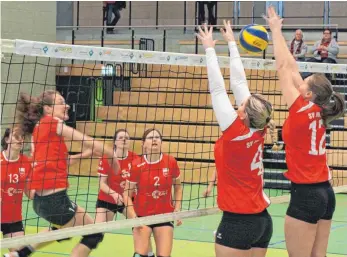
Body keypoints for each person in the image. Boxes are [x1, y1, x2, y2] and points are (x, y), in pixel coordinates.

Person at [264, 6, 345, 257]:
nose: (301, 80)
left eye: (305, 82)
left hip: (307, 194)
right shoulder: (320, 108)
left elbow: (281, 67)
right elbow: (291, 66)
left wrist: (276, 30)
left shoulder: (299, 109)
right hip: (326, 193)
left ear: (308, 93)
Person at [9, 90, 120, 257]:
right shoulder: (53, 123)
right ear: (48, 108)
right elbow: (86, 140)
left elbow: (62, 161)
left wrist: (85, 155)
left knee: (62, 229)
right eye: (61, 102)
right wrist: (111, 155)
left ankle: (20, 253)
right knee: (95, 234)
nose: (66, 105)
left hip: (41, 202)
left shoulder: (38, 130)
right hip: (55, 201)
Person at [196, 21, 274, 257]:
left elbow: (218, 89)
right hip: (262, 222)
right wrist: (231, 42)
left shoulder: (233, 132)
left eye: (242, 104)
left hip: (237, 222)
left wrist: (210, 48)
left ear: (244, 114)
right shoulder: (259, 128)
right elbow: (239, 83)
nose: (240, 101)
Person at [1, 128, 93, 257]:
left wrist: (51, 189)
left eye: (22, 137)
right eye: (16, 136)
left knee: (19, 252)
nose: (20, 139)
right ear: (6, 139)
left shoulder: (26, 163)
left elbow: (31, 194)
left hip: (12, 218)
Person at [95, 128, 155, 257]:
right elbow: (101, 184)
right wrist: (114, 194)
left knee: (140, 227)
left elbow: (141, 181)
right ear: (115, 142)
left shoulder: (135, 159)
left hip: (129, 200)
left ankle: (149, 254)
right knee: (96, 234)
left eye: (127, 138)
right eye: (121, 137)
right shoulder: (107, 157)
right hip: (107, 199)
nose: (124, 140)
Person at [123, 129, 183, 257]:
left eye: (157, 137)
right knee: (140, 255)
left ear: (161, 142)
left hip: (164, 215)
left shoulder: (170, 161)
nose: (154, 140)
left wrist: (177, 210)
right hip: (142, 216)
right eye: (150, 138)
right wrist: (133, 216)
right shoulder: (136, 165)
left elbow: (178, 188)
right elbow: (126, 194)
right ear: (143, 143)